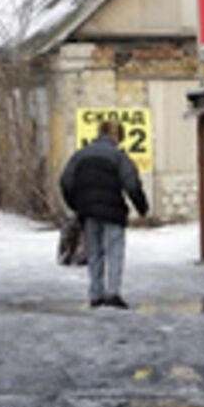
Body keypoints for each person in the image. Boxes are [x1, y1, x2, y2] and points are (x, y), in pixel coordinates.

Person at [60, 119, 149, 309]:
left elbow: (66, 181)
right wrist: (142, 207)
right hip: (113, 210)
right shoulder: (119, 156)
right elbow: (132, 183)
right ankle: (113, 293)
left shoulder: (79, 155)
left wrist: (76, 204)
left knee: (94, 252)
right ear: (117, 136)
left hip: (89, 211)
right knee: (114, 251)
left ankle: (96, 294)